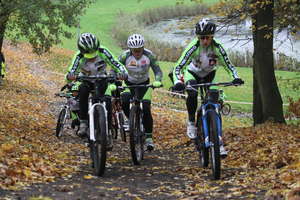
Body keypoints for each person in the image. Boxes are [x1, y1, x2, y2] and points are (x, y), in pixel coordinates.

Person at [172, 18, 244, 157]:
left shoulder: (217, 48)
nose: (205, 41)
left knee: (215, 103)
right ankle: (192, 122)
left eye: (208, 38)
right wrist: (177, 81)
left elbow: (229, 65)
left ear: (212, 37)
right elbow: (179, 66)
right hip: (192, 74)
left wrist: (235, 77)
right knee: (192, 93)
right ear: (198, 37)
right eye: (202, 38)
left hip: (210, 74)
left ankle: (219, 142)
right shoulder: (193, 47)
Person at [65, 32, 128, 137]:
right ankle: (84, 123)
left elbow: (116, 63)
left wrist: (123, 73)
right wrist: (70, 76)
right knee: (83, 91)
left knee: (107, 100)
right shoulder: (79, 56)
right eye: (89, 55)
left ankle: (107, 130)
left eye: (94, 53)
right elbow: (72, 69)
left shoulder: (103, 51)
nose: (92, 57)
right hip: (86, 80)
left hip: (101, 79)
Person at [119, 34, 163, 150]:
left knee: (146, 108)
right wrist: (114, 80)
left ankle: (149, 138)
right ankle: (131, 121)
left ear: (143, 47)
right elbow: (115, 69)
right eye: (135, 50)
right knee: (124, 101)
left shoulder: (149, 56)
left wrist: (158, 80)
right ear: (130, 49)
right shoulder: (124, 56)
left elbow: (158, 71)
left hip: (145, 84)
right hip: (129, 83)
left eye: (140, 50)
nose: (137, 52)